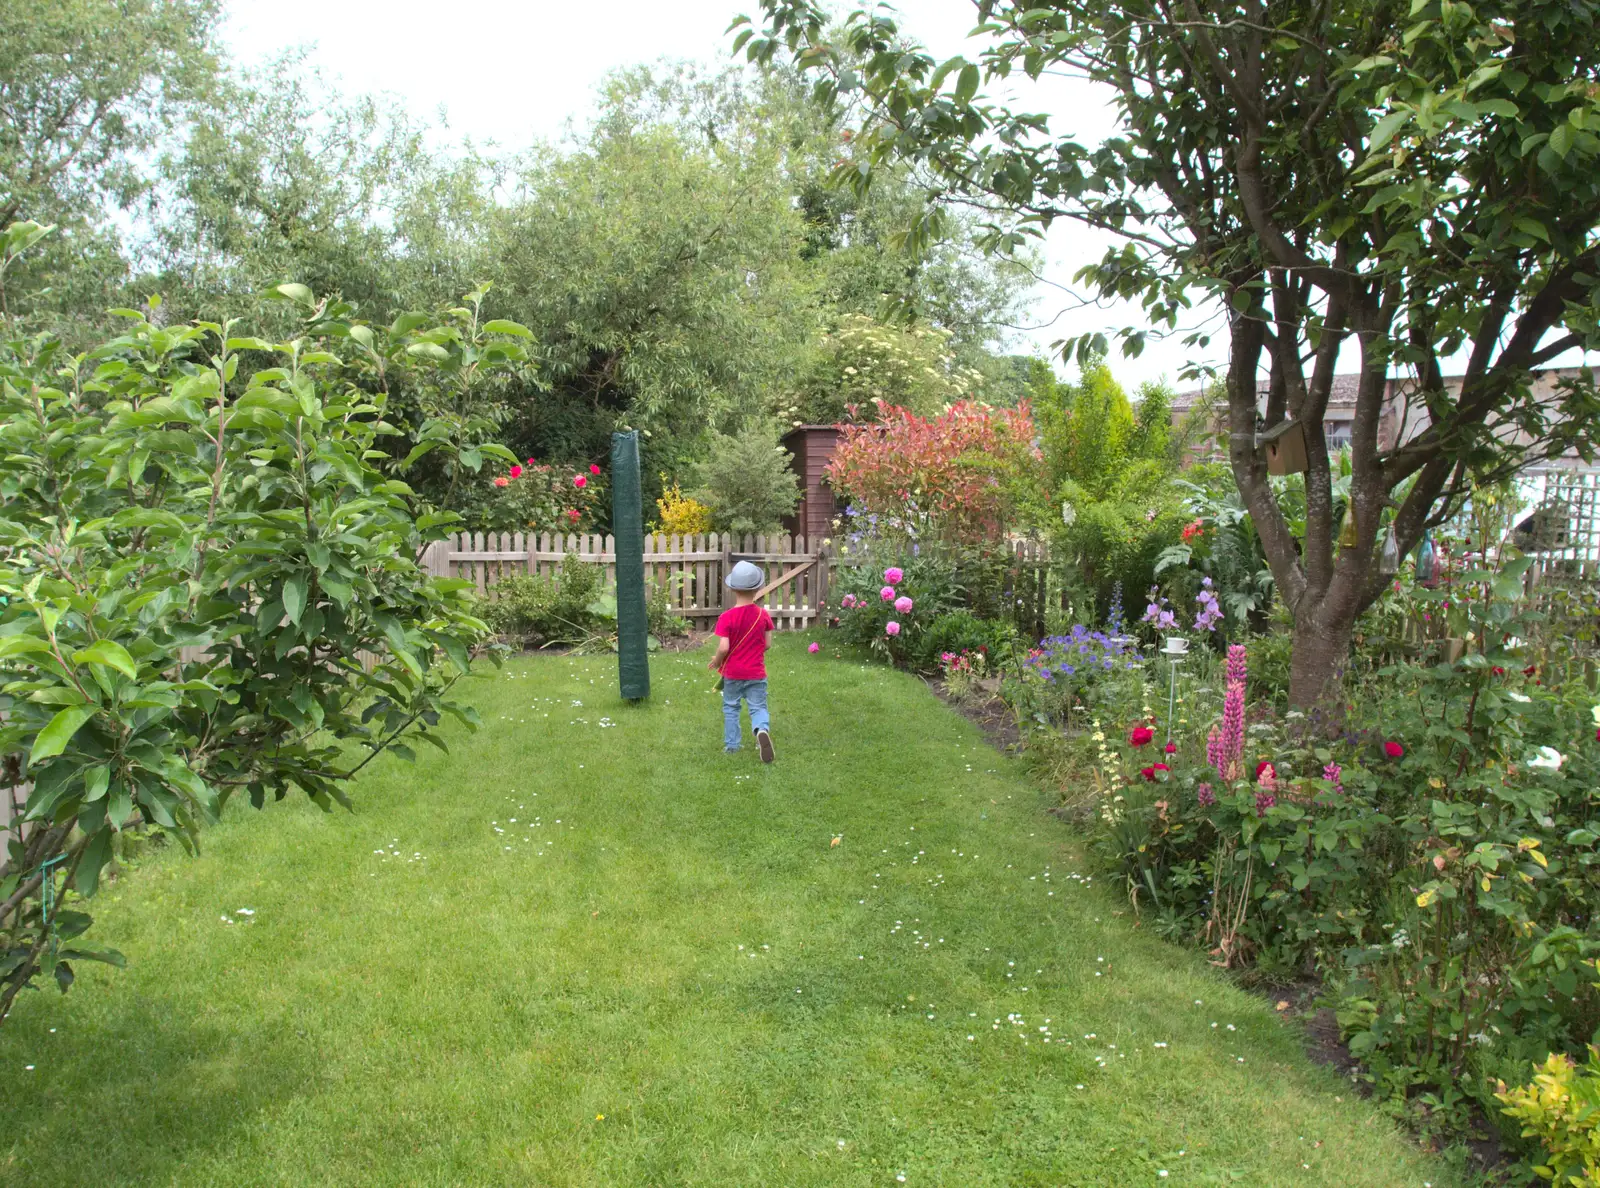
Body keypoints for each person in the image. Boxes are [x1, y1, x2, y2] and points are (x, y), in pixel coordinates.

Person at [710, 560, 775, 762]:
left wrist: (717, 661)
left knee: (731, 707)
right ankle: (761, 730)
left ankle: (731, 746)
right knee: (758, 707)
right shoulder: (762, 615)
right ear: (757, 588)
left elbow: (724, 647)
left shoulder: (726, 617)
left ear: (732, 588)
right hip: (756, 672)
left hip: (733, 674)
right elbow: (767, 645)